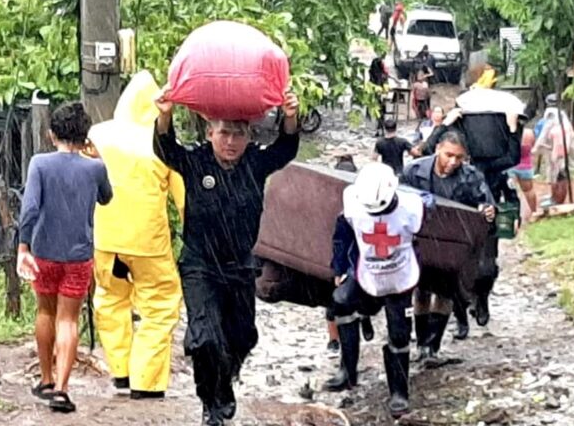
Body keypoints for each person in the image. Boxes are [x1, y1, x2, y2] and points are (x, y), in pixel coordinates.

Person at [153, 88, 300, 425]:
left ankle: (225, 379)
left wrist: (290, 115)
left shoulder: (256, 163)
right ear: (210, 133)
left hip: (241, 267)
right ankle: (212, 402)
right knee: (205, 338)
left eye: (238, 133)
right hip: (200, 266)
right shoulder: (195, 161)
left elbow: (286, 148)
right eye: (224, 132)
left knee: (242, 336)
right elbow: (165, 149)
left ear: (249, 136)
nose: (231, 141)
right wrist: (164, 114)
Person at [88, 71, 185, 400]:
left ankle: (120, 372)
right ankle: (146, 381)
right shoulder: (162, 143)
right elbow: (183, 198)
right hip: (148, 242)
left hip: (105, 240)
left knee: (110, 301)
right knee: (159, 307)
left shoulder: (98, 135)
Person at [17, 102, 113, 413]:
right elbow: (107, 197)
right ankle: (62, 388)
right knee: (68, 319)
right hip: (79, 254)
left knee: (45, 312)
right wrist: (99, 160)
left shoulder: (40, 164)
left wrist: (23, 246)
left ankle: (45, 379)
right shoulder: (95, 168)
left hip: (44, 251)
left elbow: (30, 208)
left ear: (50, 134)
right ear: (86, 137)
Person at [324, 162, 425, 419]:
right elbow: (342, 234)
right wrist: (340, 267)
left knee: (399, 332)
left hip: (400, 275)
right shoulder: (353, 202)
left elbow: (425, 236)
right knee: (341, 301)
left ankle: (399, 392)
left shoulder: (412, 206)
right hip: (366, 270)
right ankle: (348, 370)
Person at [417, 106, 521, 325]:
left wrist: (512, 129)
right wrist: (445, 124)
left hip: (484, 223)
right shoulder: (441, 163)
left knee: (486, 268)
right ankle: (460, 314)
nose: (454, 161)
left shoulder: (488, 166)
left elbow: (512, 158)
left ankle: (481, 300)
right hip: (452, 224)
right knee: (453, 272)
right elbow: (427, 151)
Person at [401, 131, 496, 364]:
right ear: (438, 149)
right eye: (449, 155)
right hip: (420, 240)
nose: (453, 162)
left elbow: (486, 201)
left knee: (445, 292)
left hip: (454, 243)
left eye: (459, 158)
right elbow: (398, 198)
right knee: (421, 290)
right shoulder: (414, 171)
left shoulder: (471, 176)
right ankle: (422, 344)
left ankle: (434, 347)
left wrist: (488, 210)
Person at [325, 155, 375, 353]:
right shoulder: (329, 196)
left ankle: (336, 340)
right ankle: (339, 338)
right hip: (349, 257)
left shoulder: (352, 198)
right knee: (338, 299)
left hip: (347, 257)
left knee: (336, 299)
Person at [533, 107, 574, 207]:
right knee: (554, 177)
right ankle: (553, 197)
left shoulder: (560, 130)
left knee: (561, 178)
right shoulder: (554, 128)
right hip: (556, 157)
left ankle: (558, 200)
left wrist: (556, 160)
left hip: (561, 159)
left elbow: (562, 149)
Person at [508, 128, 538, 215]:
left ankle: (514, 214)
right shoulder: (530, 133)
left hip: (511, 165)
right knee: (529, 191)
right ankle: (534, 211)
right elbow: (533, 146)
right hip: (525, 166)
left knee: (511, 191)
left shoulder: (507, 131)